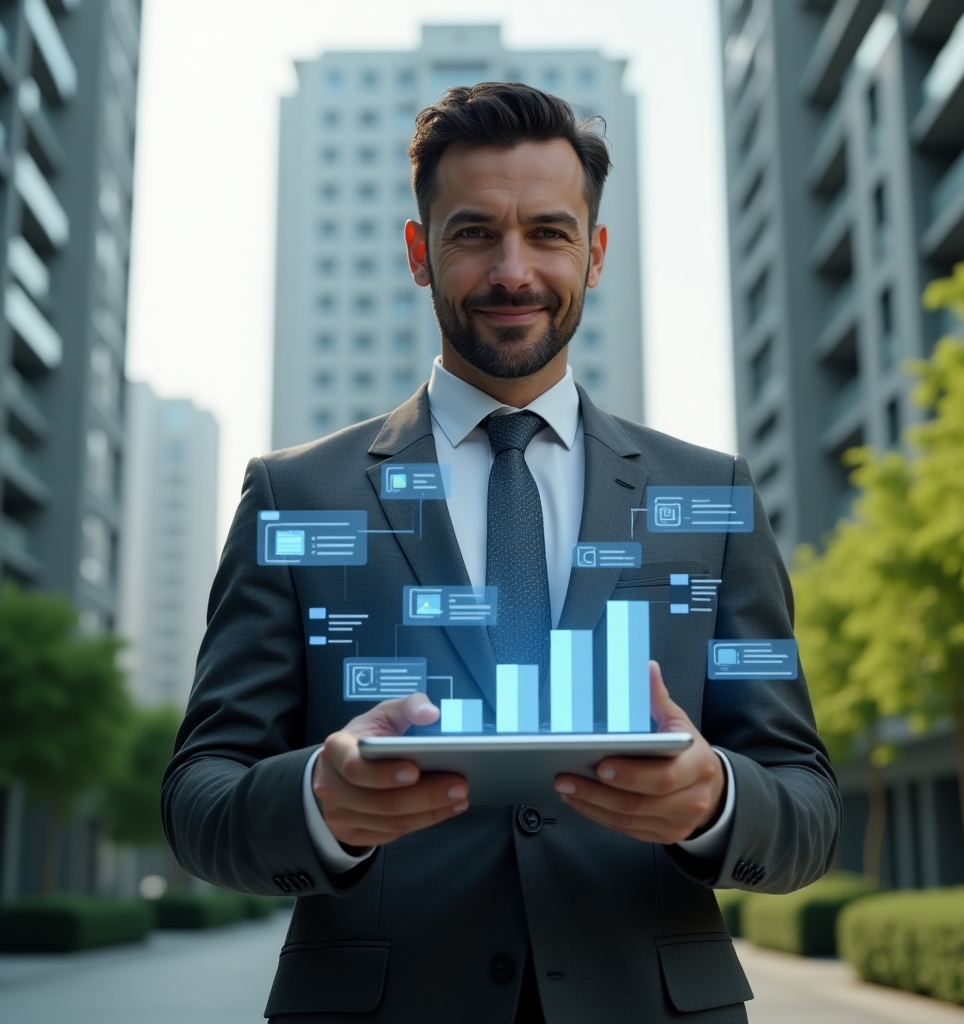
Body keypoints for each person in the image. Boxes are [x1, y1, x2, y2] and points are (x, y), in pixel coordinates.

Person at [162, 83, 840, 1024]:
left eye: (550, 234)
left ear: (595, 255)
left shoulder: (710, 496)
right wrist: (319, 798)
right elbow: (201, 795)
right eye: (474, 232)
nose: (512, 271)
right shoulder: (298, 494)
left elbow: (806, 799)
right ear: (418, 252)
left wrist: (715, 798)